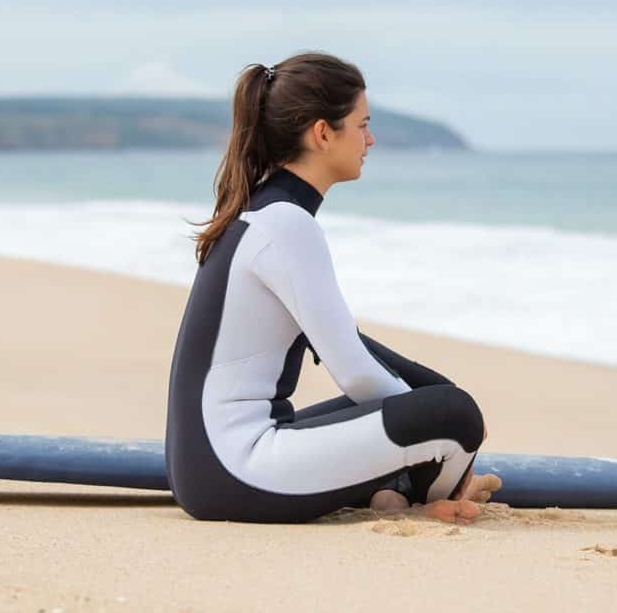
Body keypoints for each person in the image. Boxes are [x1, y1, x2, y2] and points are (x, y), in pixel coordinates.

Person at [165, 51, 500, 524]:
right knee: (457, 416)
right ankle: (435, 496)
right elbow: (357, 373)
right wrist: (451, 422)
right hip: (234, 472)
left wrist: (432, 393)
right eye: (362, 125)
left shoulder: (266, 211)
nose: (371, 140)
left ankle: (400, 491)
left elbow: (350, 343)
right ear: (323, 133)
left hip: (210, 467)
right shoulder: (285, 224)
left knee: (436, 398)